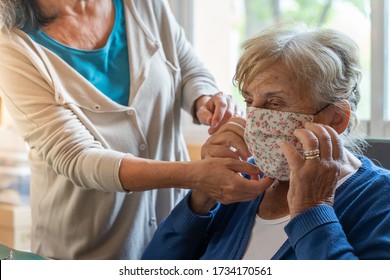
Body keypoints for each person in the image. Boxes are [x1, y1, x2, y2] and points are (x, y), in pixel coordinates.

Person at [0, 0, 272, 259]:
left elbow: (187, 66)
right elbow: (77, 157)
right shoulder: (12, 47)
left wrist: (206, 99)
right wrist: (193, 176)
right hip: (85, 251)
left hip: (175, 234)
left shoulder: (141, 5)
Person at [142, 23, 390, 260]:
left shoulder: (379, 199)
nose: (256, 119)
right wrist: (201, 198)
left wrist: (312, 209)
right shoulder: (240, 181)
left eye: (275, 103)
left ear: (336, 118)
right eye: (249, 101)